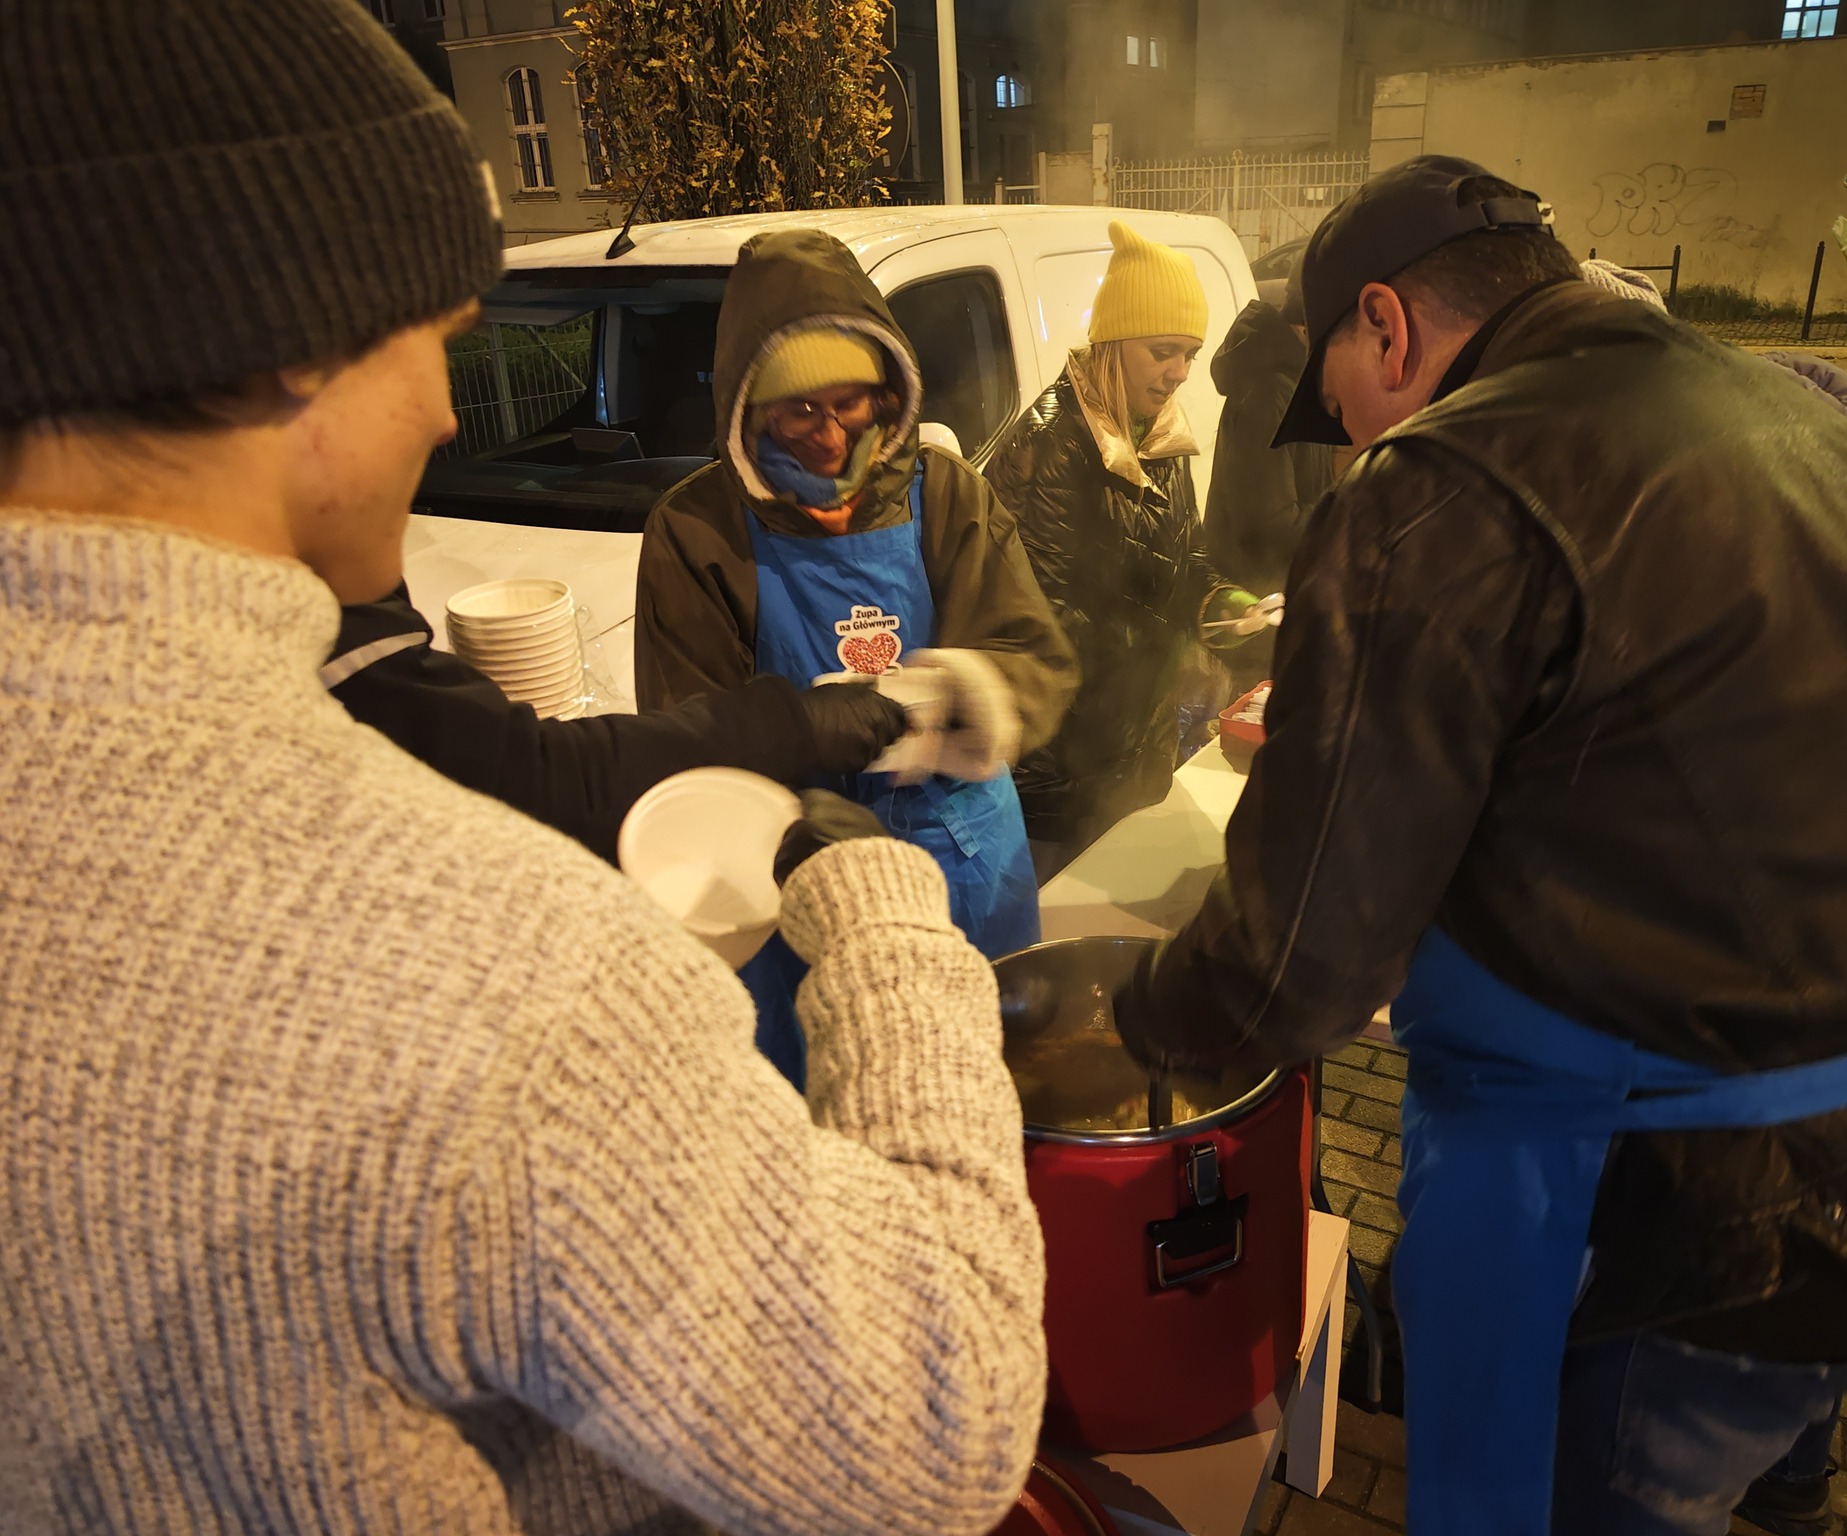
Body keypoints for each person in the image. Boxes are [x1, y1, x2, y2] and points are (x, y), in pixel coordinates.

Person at [0, 7, 1045, 1534]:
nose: (447, 405)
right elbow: (934, 1418)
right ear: (293, 334)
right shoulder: (495, 973)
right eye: (434, 339)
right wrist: (885, 915)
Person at [1109, 156, 1847, 1536]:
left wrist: (1143, 1020)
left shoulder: (1436, 482)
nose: (1346, 443)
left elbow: (1297, 960)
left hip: (1725, 1219)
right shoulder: (1780, 412)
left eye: (1337, 402)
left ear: (1387, 326)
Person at [634, 229, 1077, 1080]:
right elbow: (688, 738)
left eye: (851, 402)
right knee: (834, 1092)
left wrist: (954, 695)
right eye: (800, 412)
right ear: (750, 410)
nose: (832, 436)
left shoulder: (947, 495)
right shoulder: (697, 532)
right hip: (796, 870)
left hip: (961, 859)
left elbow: (1035, 657)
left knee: (978, 1085)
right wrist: (798, 764)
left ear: (887, 390)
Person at [985, 220, 1270, 870]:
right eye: (1163, 351)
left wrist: (1233, 610)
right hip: (1059, 778)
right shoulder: (1050, 445)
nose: (1180, 373)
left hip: (1135, 755)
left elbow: (1188, 563)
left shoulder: (1157, 435)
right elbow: (1039, 618)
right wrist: (1166, 643)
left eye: (1190, 354)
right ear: (1113, 341)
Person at [326, 583, 910, 862]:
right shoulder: (334, 651)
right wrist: (789, 727)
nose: (445, 422)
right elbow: (536, 779)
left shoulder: (344, 616)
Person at [1204, 272, 1336, 598]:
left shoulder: (1296, 381)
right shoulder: (1270, 389)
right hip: (1255, 599)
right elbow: (1270, 526)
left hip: (1279, 589)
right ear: (1309, 329)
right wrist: (1347, 519)